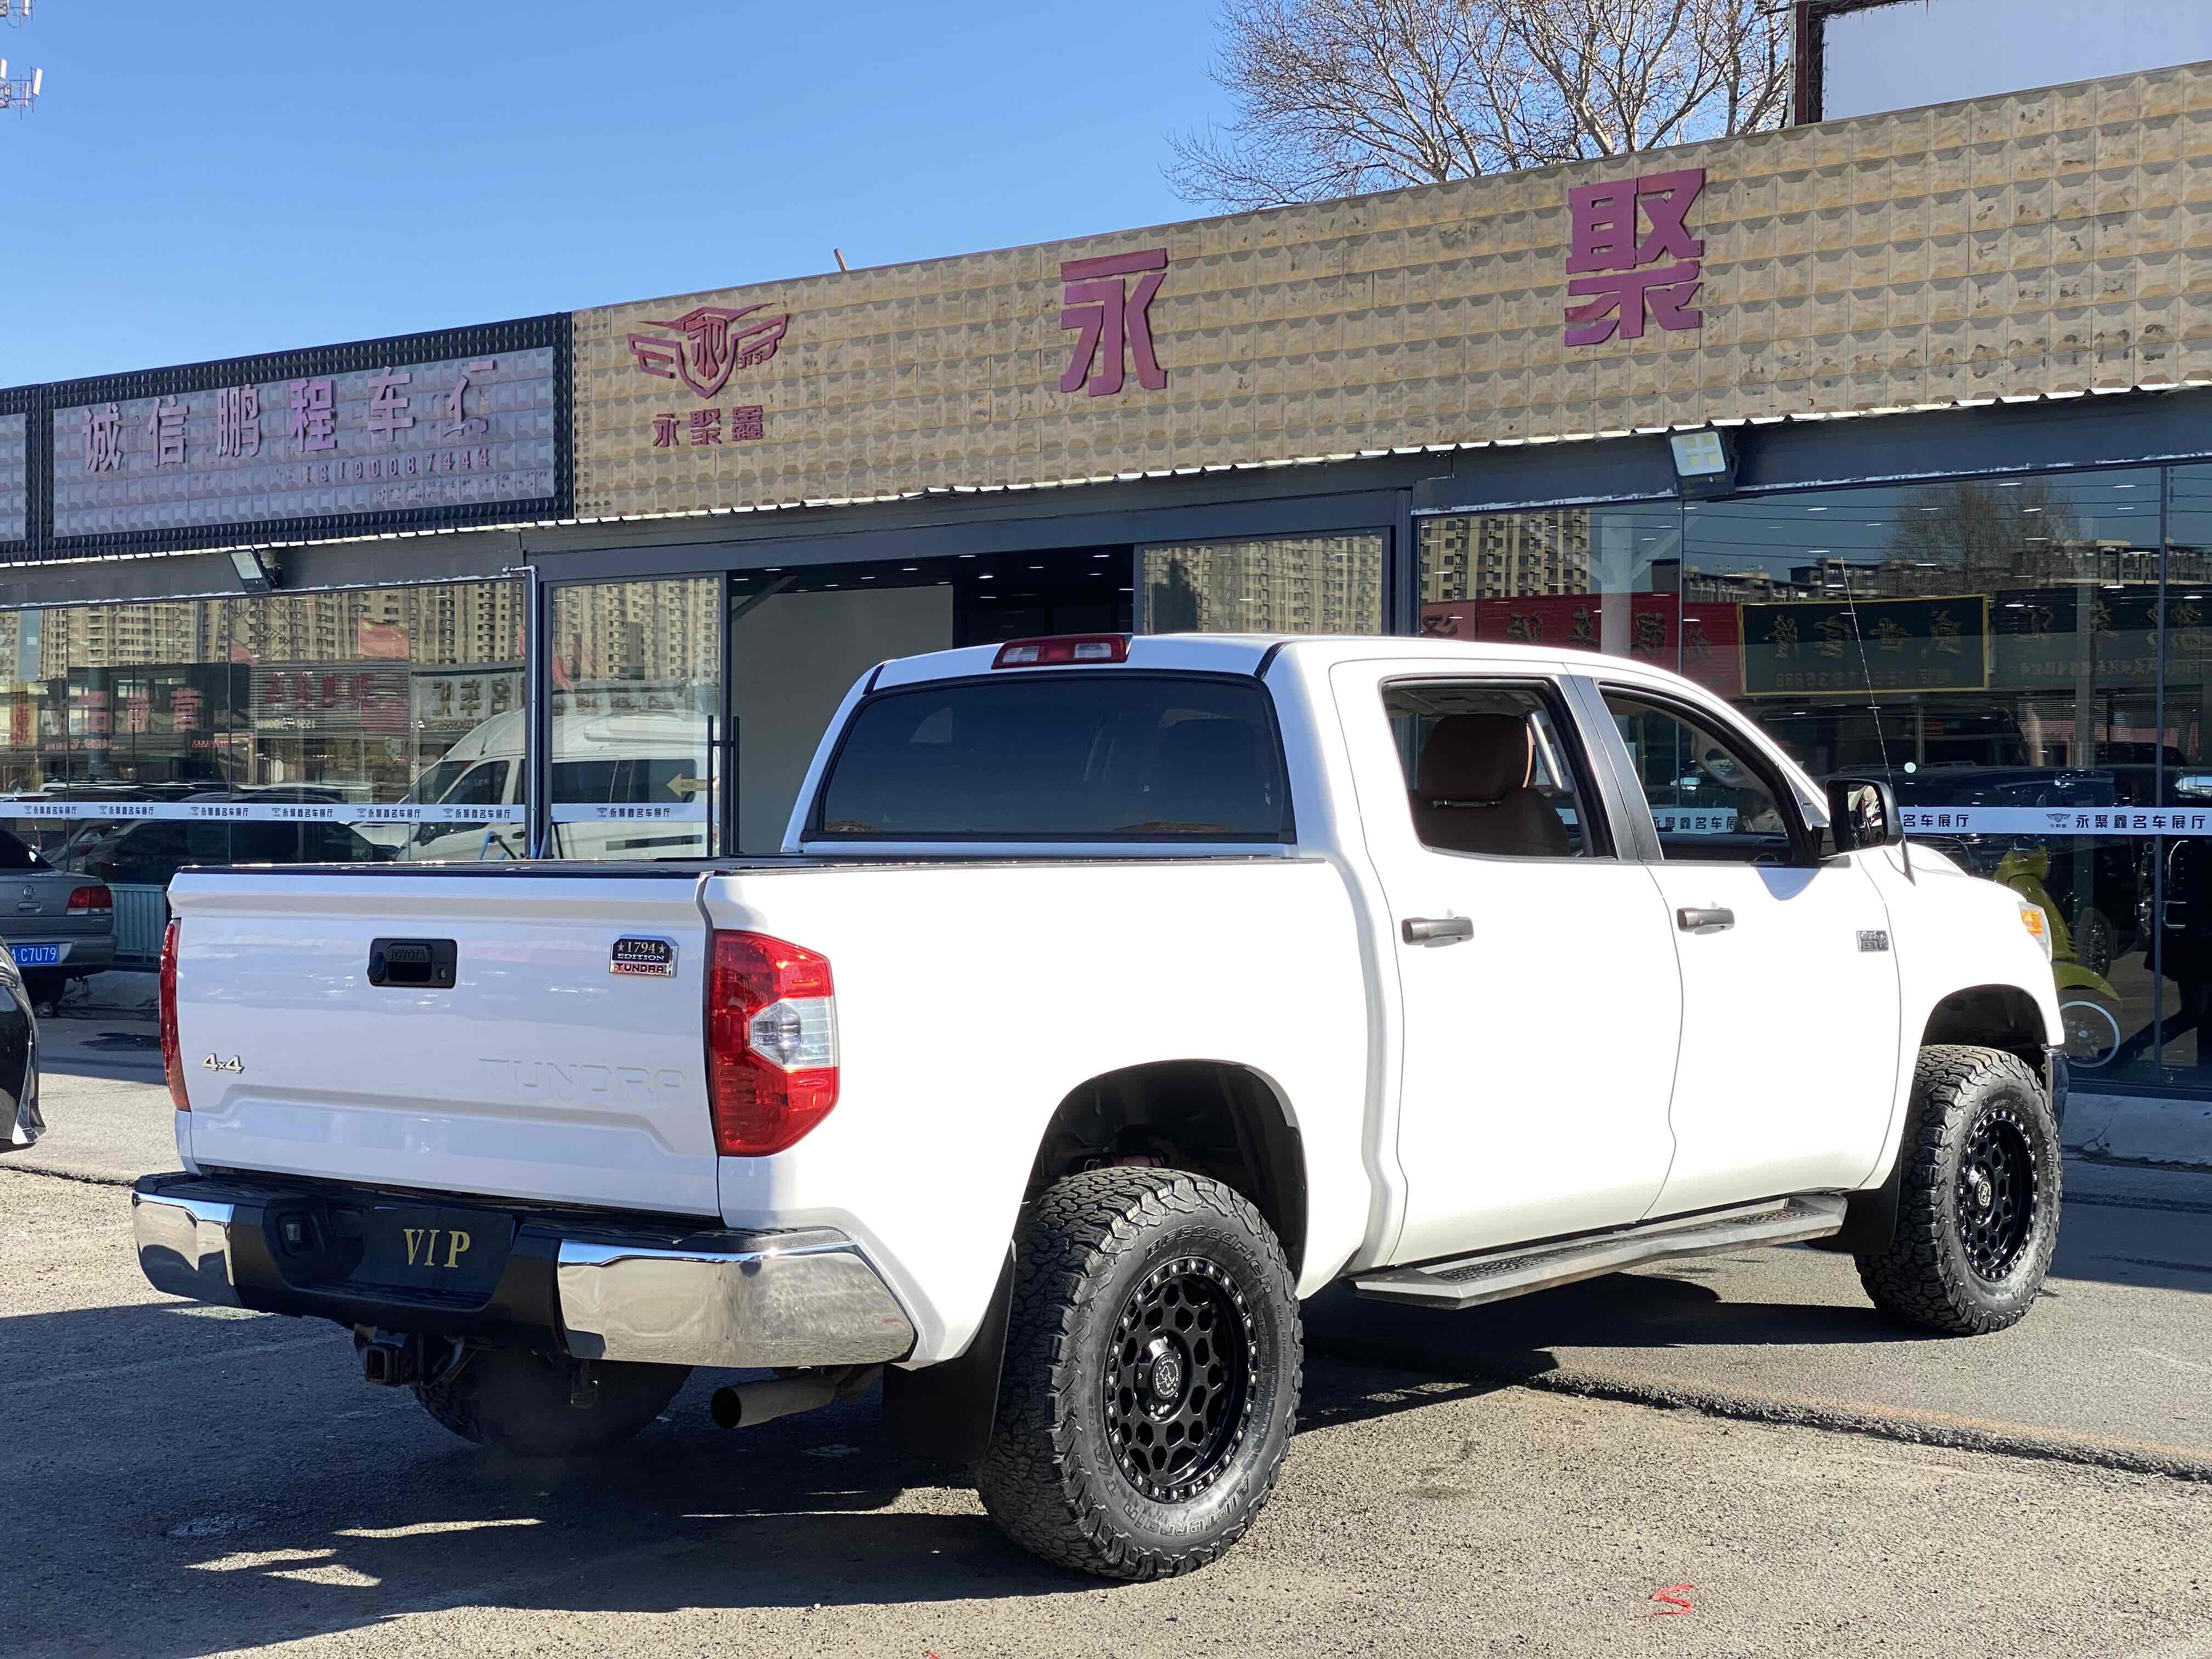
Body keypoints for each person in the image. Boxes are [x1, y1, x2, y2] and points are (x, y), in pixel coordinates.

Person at [2111, 835, 2212, 1071]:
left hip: (2192, 947)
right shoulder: (2198, 854)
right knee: (2199, 1014)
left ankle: (2127, 1051)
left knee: (2196, 1014)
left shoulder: (2191, 850)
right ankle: (2204, 1071)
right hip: (2198, 949)